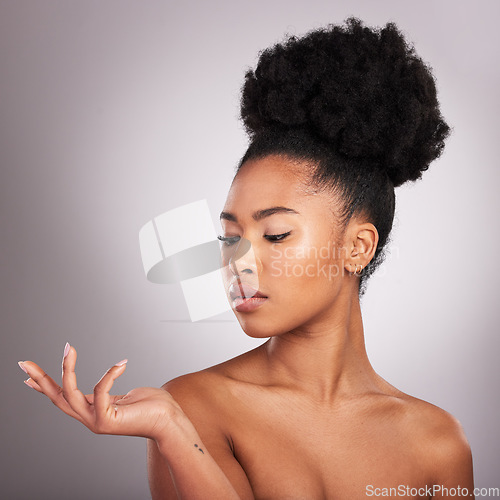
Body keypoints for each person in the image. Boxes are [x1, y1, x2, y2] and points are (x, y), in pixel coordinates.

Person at [17, 18, 474, 499]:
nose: (239, 262)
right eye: (230, 236)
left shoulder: (437, 443)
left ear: (356, 247)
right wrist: (173, 431)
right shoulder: (192, 406)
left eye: (275, 234)